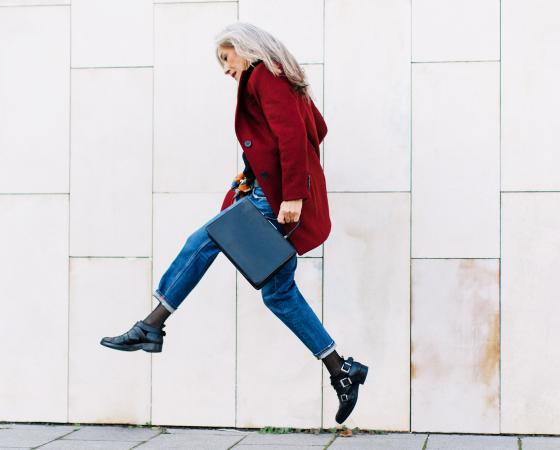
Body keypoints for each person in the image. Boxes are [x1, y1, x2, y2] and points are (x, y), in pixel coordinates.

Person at [100, 22, 368, 424]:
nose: (226, 69)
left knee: (206, 239)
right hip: (265, 193)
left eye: (227, 59)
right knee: (278, 294)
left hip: (274, 200)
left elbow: (295, 135)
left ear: (246, 49)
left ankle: (152, 325)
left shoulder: (264, 76)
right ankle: (341, 370)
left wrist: (293, 192)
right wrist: (255, 171)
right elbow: (314, 129)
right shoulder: (283, 78)